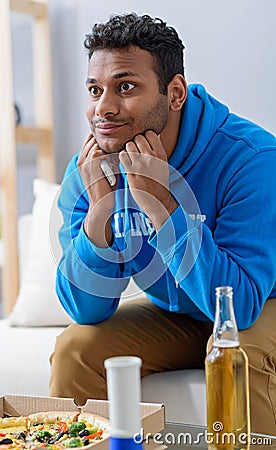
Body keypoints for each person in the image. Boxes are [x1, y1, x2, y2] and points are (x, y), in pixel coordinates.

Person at [49, 13, 276, 434]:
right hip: (179, 311)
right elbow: (84, 308)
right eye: (95, 90)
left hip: (261, 305)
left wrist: (161, 204)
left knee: (235, 349)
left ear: (174, 94)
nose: (104, 108)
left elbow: (239, 306)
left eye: (126, 87)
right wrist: (99, 216)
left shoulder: (253, 158)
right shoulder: (90, 169)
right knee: (75, 350)